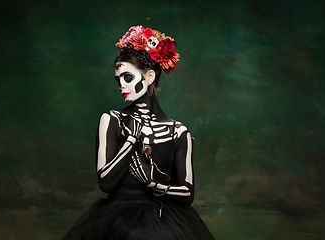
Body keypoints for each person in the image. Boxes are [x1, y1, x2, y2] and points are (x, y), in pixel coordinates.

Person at [62, 24, 215, 240]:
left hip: (165, 217)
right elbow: (105, 183)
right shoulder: (112, 120)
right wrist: (131, 140)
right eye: (118, 80)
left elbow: (187, 193)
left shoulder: (178, 131)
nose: (121, 86)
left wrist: (154, 184)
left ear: (150, 76)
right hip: (116, 218)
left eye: (127, 77)